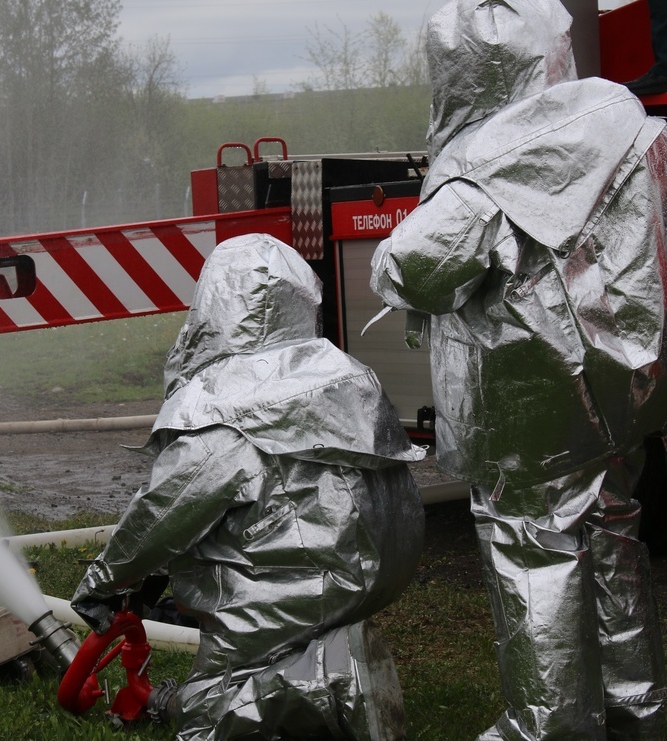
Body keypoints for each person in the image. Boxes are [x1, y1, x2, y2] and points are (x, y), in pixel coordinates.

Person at [369, 0, 667, 740]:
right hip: (619, 392)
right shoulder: (620, 121)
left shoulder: (498, 156)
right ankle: (633, 708)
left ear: (464, 77)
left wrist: (390, 258)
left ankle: (550, 726)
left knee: (535, 551)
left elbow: (418, 266)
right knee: (611, 540)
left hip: (536, 406)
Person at [71, 233, 426, 741]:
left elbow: (168, 508)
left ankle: (331, 686)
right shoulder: (338, 370)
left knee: (208, 712)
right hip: (382, 559)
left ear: (215, 306)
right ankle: (321, 660)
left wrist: (104, 581)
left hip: (312, 573)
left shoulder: (225, 404)